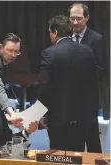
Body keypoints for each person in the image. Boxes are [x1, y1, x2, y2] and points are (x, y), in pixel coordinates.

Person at [38, 15, 99, 152]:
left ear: (54, 32)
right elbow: (93, 84)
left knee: (58, 155)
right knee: (77, 154)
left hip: (58, 118)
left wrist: (42, 114)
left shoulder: (49, 53)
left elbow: (44, 88)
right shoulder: (87, 51)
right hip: (83, 117)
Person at [69, 3, 105, 153]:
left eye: (79, 19)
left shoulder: (96, 39)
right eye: (72, 19)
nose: (75, 22)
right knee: (72, 140)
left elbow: (102, 68)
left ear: (87, 18)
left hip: (88, 98)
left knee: (92, 141)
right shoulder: (66, 38)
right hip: (69, 98)